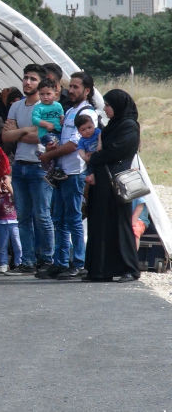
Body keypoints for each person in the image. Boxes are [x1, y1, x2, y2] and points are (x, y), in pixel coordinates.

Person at [38, 72, 98, 280]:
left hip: (75, 172)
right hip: (63, 172)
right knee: (59, 218)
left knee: (73, 219)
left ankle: (78, 262)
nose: (71, 90)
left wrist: (48, 155)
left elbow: (74, 145)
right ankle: (61, 261)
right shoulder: (71, 110)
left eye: (75, 87)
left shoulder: (87, 113)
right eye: (70, 86)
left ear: (87, 90)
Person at [84, 89, 141, 283]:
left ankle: (128, 267)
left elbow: (118, 150)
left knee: (119, 223)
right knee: (100, 224)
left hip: (116, 181)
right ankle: (100, 269)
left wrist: (96, 157)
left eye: (108, 105)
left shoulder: (129, 126)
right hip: (103, 183)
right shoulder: (112, 125)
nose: (106, 109)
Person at [1, 64, 53, 275]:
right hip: (20, 165)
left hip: (40, 167)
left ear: (41, 82)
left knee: (42, 215)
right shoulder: (16, 107)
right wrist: (26, 130)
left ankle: (47, 259)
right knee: (22, 216)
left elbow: (41, 136)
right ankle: (28, 260)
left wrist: (19, 132)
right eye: (25, 78)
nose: (27, 82)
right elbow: (5, 136)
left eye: (32, 79)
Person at [30, 78, 65, 184]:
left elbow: (61, 114)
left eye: (48, 94)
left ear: (55, 93)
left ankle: (53, 171)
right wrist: (45, 124)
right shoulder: (39, 107)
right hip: (46, 134)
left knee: (58, 152)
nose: (45, 97)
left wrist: (63, 119)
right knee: (52, 145)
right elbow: (34, 120)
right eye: (42, 94)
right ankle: (46, 163)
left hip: (58, 132)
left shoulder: (58, 105)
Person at [0, 176, 21, 274]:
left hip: (14, 222)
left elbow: (17, 199)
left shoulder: (13, 192)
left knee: (17, 244)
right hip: (0, 222)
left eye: (4, 179)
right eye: (0, 180)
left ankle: (18, 262)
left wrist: (10, 188)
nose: (3, 182)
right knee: (3, 245)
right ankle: (3, 263)